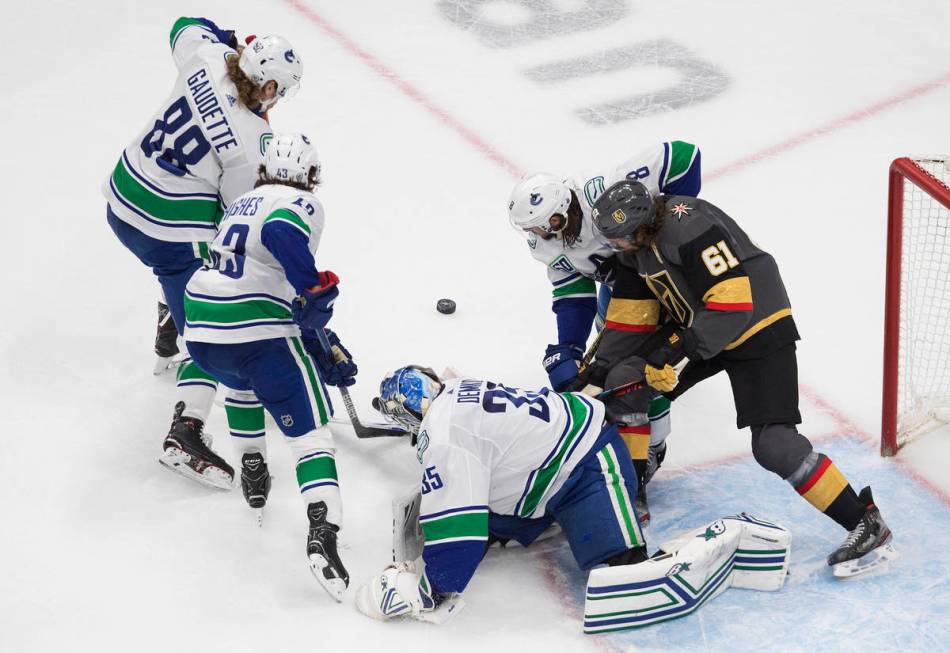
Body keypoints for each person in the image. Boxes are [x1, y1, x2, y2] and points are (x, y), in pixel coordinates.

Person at [577, 180, 895, 577]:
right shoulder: (635, 247)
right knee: (626, 378)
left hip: (757, 325)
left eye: (621, 239)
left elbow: (731, 303)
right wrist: (595, 373)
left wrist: (672, 354)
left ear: (640, 227)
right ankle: (630, 491)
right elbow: (629, 320)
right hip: (704, 324)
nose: (618, 248)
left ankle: (864, 521)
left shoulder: (687, 225)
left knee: (774, 445)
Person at [103, 16, 303, 487]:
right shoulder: (254, 142)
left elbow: (184, 24)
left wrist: (227, 38)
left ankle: (169, 320)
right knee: (215, 317)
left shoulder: (208, 55)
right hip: (161, 231)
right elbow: (239, 219)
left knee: (194, 256)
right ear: (270, 84)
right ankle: (184, 431)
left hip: (121, 194)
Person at [183, 132, 356, 600]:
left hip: (201, 327)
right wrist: (314, 289)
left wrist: (321, 337)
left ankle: (253, 469)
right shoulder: (298, 202)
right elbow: (282, 236)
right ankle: (323, 530)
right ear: (311, 176)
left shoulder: (242, 202)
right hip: (254, 329)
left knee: (242, 384)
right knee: (310, 434)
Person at [354, 366, 648, 622]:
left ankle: (628, 559)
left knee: (621, 569)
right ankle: (538, 521)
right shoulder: (457, 387)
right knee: (490, 491)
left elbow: (460, 532)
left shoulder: (445, 437)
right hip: (553, 459)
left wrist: (432, 589)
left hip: (591, 460)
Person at [506, 141, 702, 521]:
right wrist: (569, 348)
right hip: (619, 297)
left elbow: (682, 155)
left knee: (638, 376)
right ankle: (625, 447)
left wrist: (679, 222)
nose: (544, 235)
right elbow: (572, 292)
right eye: (534, 229)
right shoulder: (545, 244)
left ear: (566, 206)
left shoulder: (602, 192)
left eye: (549, 224)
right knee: (604, 378)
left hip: (664, 284)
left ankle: (649, 454)